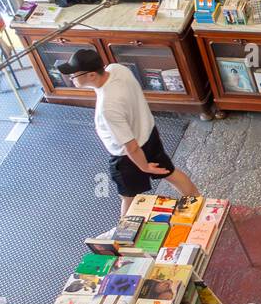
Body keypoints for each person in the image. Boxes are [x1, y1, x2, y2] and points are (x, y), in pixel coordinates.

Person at [58, 47, 200, 216]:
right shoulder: (117, 69)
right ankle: (198, 206)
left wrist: (145, 167)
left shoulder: (108, 106)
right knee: (170, 172)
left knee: (128, 197)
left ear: (91, 75)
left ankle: (126, 236)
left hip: (128, 157)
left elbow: (130, 146)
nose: (71, 78)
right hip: (148, 133)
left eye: (74, 74)